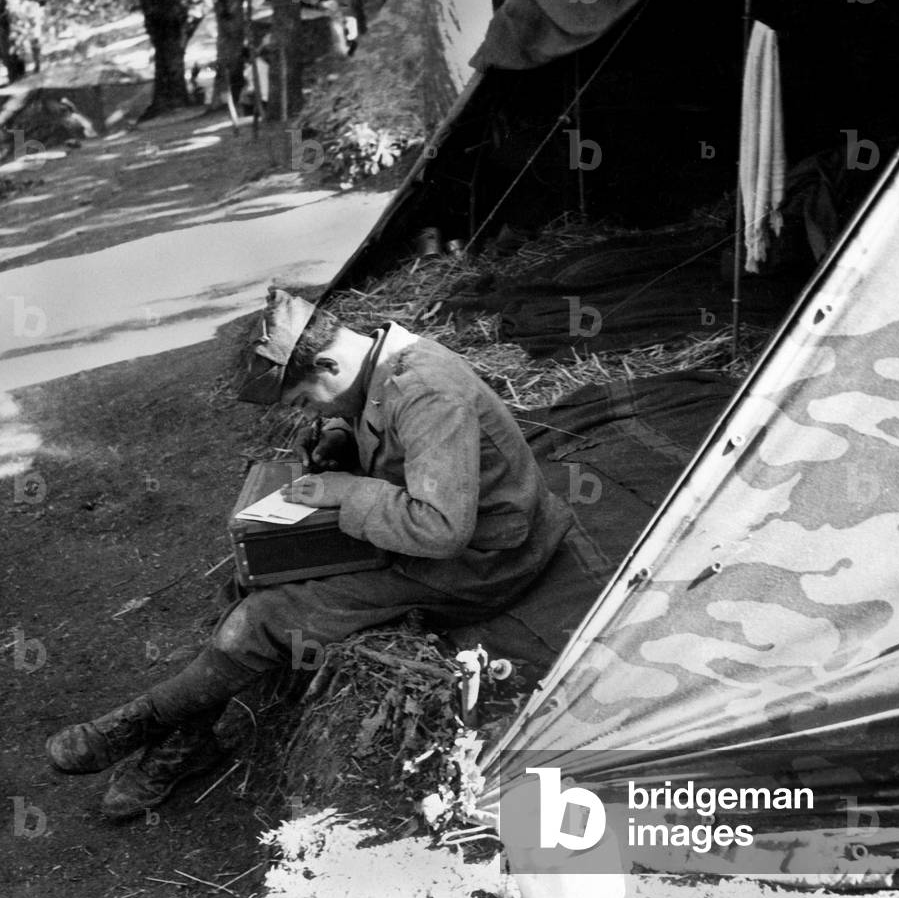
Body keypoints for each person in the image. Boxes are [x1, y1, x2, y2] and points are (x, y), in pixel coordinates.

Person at [46, 287, 572, 821]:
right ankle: (188, 741)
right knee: (257, 568)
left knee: (266, 616)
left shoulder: (427, 392)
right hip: (439, 539)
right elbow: (374, 414)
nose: (307, 413)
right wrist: (340, 437)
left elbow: (440, 529)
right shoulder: (381, 363)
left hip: (483, 561)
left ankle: (140, 723)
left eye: (303, 401)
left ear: (326, 363)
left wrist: (347, 490)